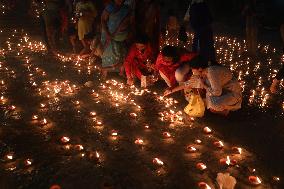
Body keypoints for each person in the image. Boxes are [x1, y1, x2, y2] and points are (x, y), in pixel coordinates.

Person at [164, 58, 242, 116]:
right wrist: (171, 90)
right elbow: (187, 84)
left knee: (213, 104)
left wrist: (204, 85)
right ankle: (222, 108)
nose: (192, 72)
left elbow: (217, 92)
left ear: (200, 69)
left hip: (233, 94)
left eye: (193, 70)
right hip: (223, 92)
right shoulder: (202, 72)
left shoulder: (211, 72)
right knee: (208, 101)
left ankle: (227, 111)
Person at [101, 0, 131, 79]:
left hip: (122, 35)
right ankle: (105, 72)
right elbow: (103, 19)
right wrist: (107, 33)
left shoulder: (126, 8)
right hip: (109, 33)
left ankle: (121, 72)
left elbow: (127, 22)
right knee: (109, 52)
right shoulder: (110, 7)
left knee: (121, 52)